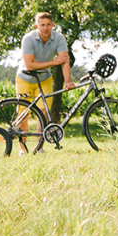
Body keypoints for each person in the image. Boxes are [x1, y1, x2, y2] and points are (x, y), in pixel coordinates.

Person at [15, 12, 74, 153]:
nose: (45, 28)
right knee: (24, 114)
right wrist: (54, 62)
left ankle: (39, 148)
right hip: (25, 78)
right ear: (37, 26)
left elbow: (64, 60)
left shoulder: (59, 38)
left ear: (52, 25)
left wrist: (68, 81)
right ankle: (23, 150)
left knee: (43, 114)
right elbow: (30, 65)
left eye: (48, 25)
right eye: (42, 25)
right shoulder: (28, 39)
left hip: (45, 79)